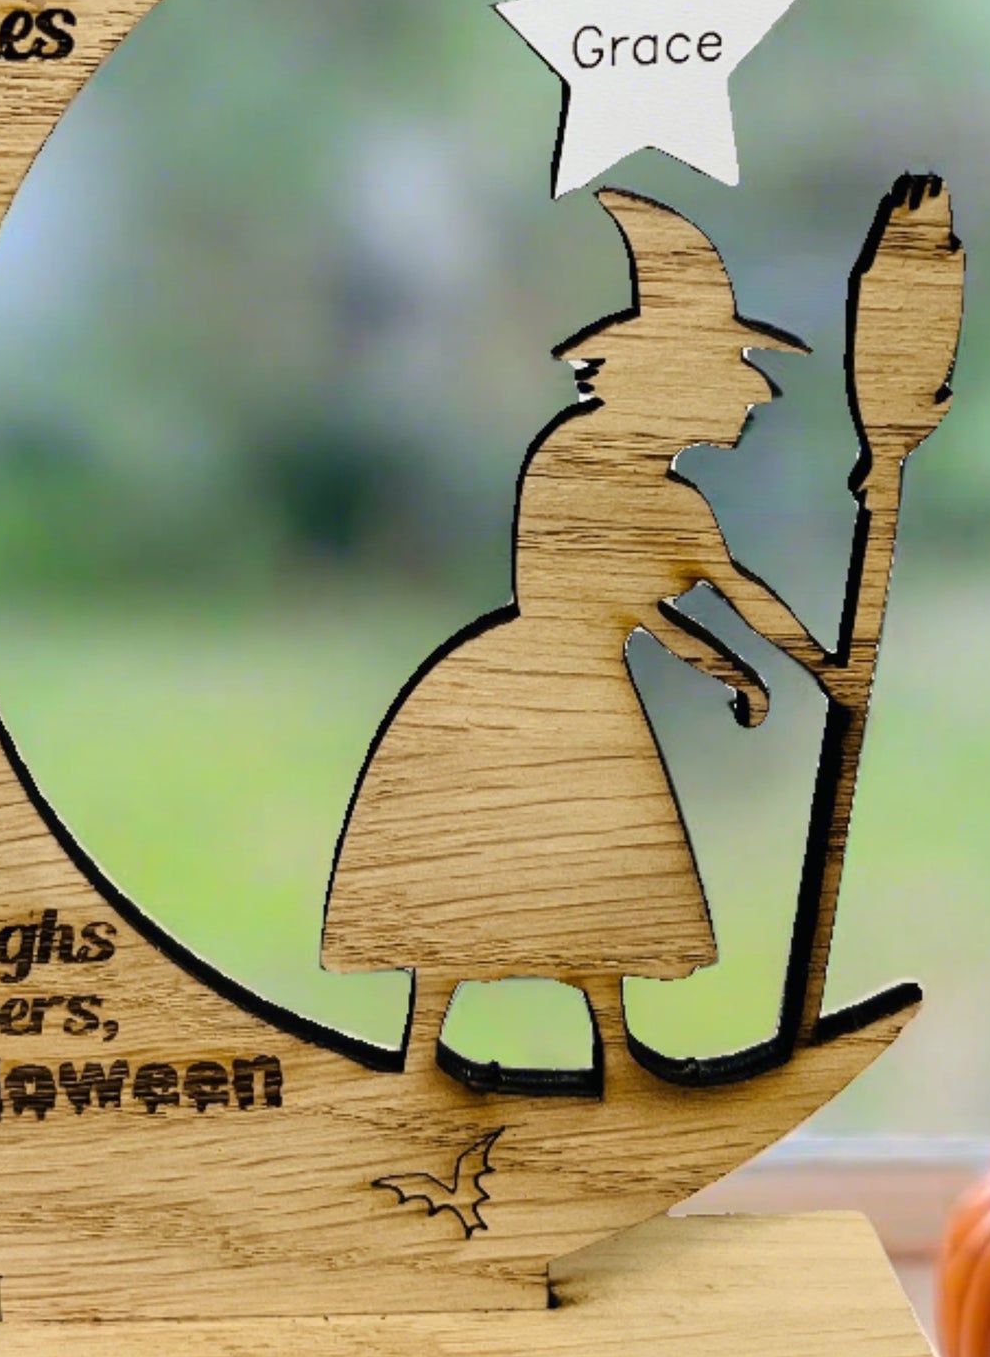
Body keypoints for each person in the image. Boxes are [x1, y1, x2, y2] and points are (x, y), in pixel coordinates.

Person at [320, 188, 840, 1095]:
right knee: (494, 858)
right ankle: (423, 1056)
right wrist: (776, 667)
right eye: (731, 382)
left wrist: (796, 667)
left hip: (566, 682)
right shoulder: (579, 463)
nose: (746, 406)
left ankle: (611, 1055)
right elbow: (629, 599)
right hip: (534, 689)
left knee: (591, 876)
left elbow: (713, 597)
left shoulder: (660, 493)